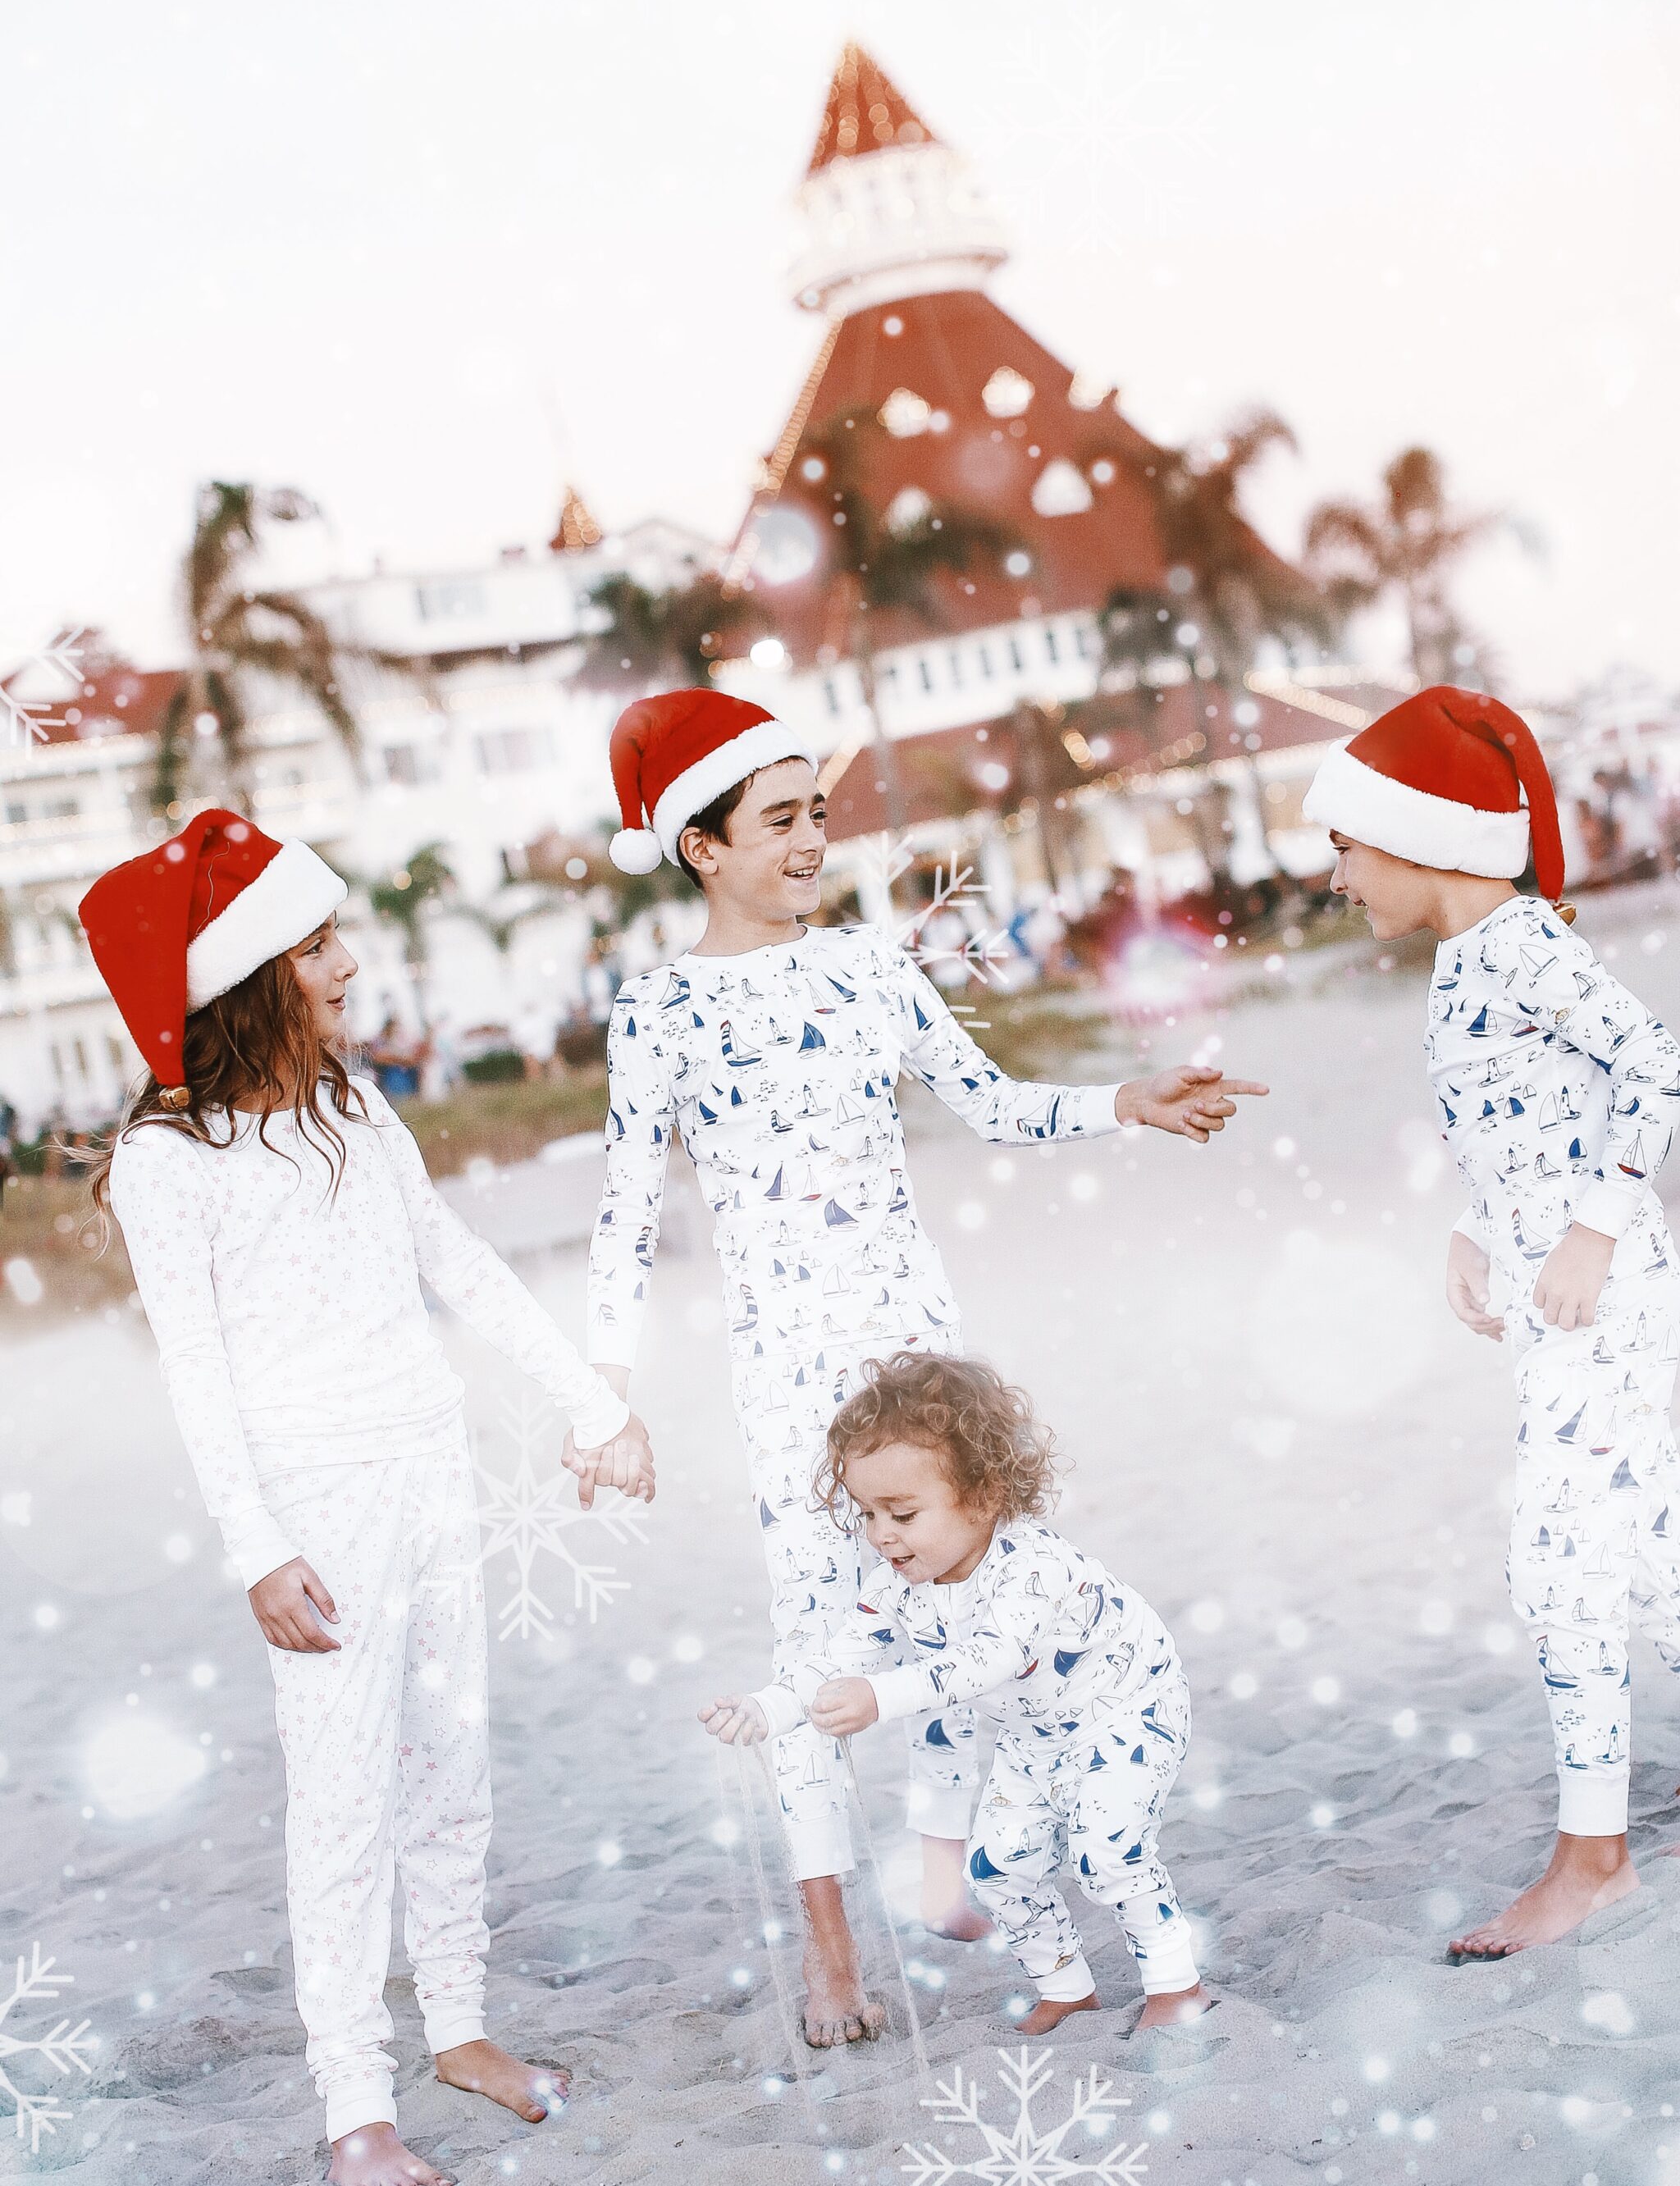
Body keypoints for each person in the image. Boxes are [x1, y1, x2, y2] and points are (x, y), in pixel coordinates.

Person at [588, 687, 1263, 2045]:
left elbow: (994, 1105)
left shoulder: (872, 966)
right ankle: (831, 1948)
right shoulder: (656, 1008)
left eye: (816, 815)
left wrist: (1123, 1103)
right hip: (787, 1378)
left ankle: (968, 1874)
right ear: (700, 845)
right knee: (814, 1644)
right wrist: (604, 1401)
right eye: (777, 820)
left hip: (922, 1357)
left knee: (979, 1611)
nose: (809, 842)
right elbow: (623, 1222)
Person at [81, 810, 654, 2186]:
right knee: (340, 1803)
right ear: (245, 979)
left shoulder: (354, 1105)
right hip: (314, 1509)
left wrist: (590, 1403)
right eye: (315, 944)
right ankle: (355, 2103)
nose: (345, 964)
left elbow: (454, 1260)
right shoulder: (173, 1162)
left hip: (429, 1468)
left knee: (451, 1766)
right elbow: (199, 1376)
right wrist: (258, 1550)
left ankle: (456, 2028)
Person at [1303, 685, 1680, 1960]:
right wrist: (1478, 1224)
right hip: (1553, 1300)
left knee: (1557, 1560)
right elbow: (1515, 1117)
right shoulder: (1469, 961)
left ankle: (1595, 1861)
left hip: (1603, 1292)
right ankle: (1599, 1848)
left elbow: (1655, 1063)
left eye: (1347, 847)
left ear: (1421, 840)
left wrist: (1595, 1225)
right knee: (1648, 1542)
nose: (1337, 876)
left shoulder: (1523, 944)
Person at [700, 1351, 1209, 2033]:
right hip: (1035, 1737)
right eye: (868, 1513)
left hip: (1126, 1709)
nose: (882, 1534)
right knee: (998, 1867)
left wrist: (880, 1698)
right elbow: (833, 1660)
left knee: (1108, 1852)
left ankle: (1177, 1987)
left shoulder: (1030, 1568)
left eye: (903, 1514)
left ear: (984, 1495)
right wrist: (766, 1709)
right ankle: (1067, 1989)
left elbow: (985, 1662)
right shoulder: (897, 1588)